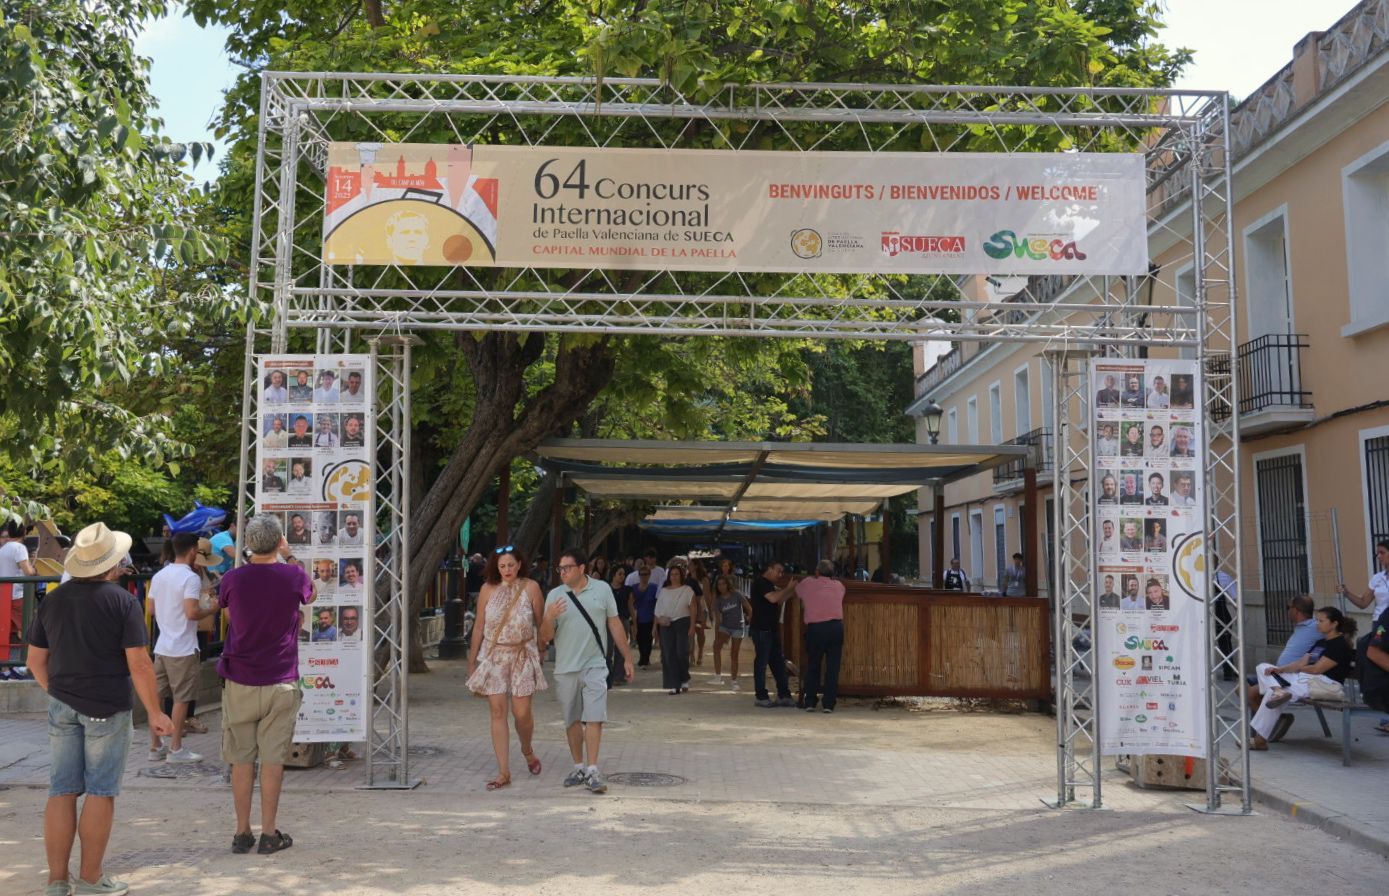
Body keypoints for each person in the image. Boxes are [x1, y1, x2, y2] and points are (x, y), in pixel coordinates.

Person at [26, 522, 175, 896]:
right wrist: (155, 713)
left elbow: (34, 661)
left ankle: (56, 881)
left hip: (62, 704)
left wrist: (56, 692)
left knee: (61, 790)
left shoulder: (54, 599)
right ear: (112, 564)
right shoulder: (122, 601)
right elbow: (140, 664)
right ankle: (91, 879)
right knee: (100, 791)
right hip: (107, 707)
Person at [217, 514, 314, 854]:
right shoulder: (292, 575)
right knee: (273, 759)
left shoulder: (232, 578)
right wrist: (288, 555)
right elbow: (311, 593)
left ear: (247, 544)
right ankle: (269, 833)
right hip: (280, 679)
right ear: (278, 542)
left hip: (240, 678)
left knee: (241, 759)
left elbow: (226, 606)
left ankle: (242, 832)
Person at [539, 549, 633, 795]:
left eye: (567, 568)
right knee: (571, 719)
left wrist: (627, 658)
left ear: (581, 568)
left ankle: (592, 769)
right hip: (566, 667)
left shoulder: (602, 590)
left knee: (594, 717)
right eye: (559, 569)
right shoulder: (555, 596)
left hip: (595, 664)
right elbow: (544, 639)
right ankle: (578, 766)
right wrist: (548, 618)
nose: (562, 573)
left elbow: (614, 623)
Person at [465, 546, 547, 791]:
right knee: (497, 711)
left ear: (519, 564)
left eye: (511, 565)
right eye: (502, 566)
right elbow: (479, 626)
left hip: (522, 654)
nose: (507, 570)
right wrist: (472, 662)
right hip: (494, 655)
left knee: (521, 713)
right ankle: (504, 771)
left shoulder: (531, 587)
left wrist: (542, 650)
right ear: (496, 567)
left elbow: (541, 624)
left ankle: (527, 750)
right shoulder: (487, 589)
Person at [147, 533, 220, 764]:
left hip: (162, 646)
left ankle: (155, 746)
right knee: (181, 699)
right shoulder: (190, 578)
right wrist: (212, 609)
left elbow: (150, 610)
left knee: (158, 697)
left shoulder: (160, 575)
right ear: (192, 551)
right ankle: (176, 748)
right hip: (184, 647)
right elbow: (192, 612)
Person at [1250, 607, 1356, 750]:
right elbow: (1301, 663)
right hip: (1305, 678)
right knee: (1263, 667)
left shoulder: (1340, 645)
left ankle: (1260, 740)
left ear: (1334, 623)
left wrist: (1295, 671)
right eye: (1317, 620)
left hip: (1323, 683)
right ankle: (1278, 690)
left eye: (1321, 620)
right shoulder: (1320, 643)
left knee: (1271, 694)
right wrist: (1279, 670)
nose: (1317, 624)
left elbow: (1317, 669)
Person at [1245, 595, 1320, 737]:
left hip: (1290, 676)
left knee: (1251, 693)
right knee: (1241, 687)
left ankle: (1263, 732)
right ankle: (1278, 720)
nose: (1286, 611)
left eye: (1287, 608)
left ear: (1296, 610)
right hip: (1277, 673)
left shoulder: (1315, 627)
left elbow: (1340, 634)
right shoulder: (1300, 627)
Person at [794, 560, 846, 713]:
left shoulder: (808, 583)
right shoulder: (839, 586)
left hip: (816, 629)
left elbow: (797, 591)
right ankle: (829, 704)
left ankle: (810, 701)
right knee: (833, 667)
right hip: (836, 628)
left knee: (813, 665)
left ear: (817, 572)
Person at [748, 562, 796, 708]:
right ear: (769, 569)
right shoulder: (761, 583)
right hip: (762, 629)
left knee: (778, 662)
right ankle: (761, 696)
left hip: (771, 629)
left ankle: (784, 694)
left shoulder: (768, 584)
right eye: (778, 571)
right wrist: (788, 588)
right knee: (762, 663)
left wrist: (790, 591)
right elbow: (773, 598)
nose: (780, 575)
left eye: (782, 572)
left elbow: (779, 600)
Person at [654, 565, 696, 695]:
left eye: (677, 574)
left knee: (681, 652)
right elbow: (657, 610)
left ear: (681, 575)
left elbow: (693, 608)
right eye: (672, 574)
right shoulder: (664, 591)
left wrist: (692, 625)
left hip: (682, 622)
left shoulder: (688, 590)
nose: (674, 576)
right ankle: (673, 684)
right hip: (667, 624)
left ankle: (684, 678)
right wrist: (656, 625)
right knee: (668, 654)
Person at [710, 575, 752, 690]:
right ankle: (718, 676)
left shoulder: (736, 594)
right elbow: (718, 619)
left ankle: (734, 680)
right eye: (719, 584)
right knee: (716, 646)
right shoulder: (718, 600)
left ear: (727, 584)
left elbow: (749, 608)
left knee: (734, 654)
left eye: (723, 584)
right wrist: (717, 635)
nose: (721, 586)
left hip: (738, 627)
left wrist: (750, 621)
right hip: (725, 627)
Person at [1337, 539, 1389, 621]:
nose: (1378, 556)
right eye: (1377, 553)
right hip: (1380, 623)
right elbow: (1363, 603)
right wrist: (1346, 592)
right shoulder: (1377, 578)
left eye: (1382, 553)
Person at [630, 568, 658, 667]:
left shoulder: (654, 587)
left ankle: (645, 660)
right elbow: (630, 602)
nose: (644, 576)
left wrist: (656, 622)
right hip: (638, 618)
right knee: (639, 639)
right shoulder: (634, 588)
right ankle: (643, 658)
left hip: (650, 617)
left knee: (648, 640)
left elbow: (657, 604)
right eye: (642, 574)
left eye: (646, 574)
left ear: (649, 575)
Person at [688, 558, 713, 666]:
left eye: (690, 564)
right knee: (690, 632)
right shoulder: (687, 578)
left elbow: (707, 596)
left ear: (696, 566)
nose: (688, 566)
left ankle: (701, 653)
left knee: (700, 632)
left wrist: (711, 611)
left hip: (701, 609)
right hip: (689, 608)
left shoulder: (704, 580)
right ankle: (691, 654)